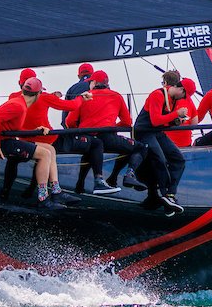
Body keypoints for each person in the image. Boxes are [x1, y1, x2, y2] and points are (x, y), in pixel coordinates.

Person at [0, 77, 70, 209]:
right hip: (2, 143)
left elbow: (13, 129)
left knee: (49, 150)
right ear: (38, 94)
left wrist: (36, 131)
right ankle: (43, 199)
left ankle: (55, 192)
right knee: (44, 154)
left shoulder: (20, 103)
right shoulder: (18, 106)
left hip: (6, 140)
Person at [72, 71, 160, 202]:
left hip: (86, 139)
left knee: (91, 150)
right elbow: (127, 122)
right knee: (140, 147)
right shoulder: (116, 96)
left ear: (94, 83)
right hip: (108, 138)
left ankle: (80, 185)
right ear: (107, 83)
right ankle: (127, 175)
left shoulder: (83, 97)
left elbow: (70, 121)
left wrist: (81, 129)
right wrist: (111, 126)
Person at [131, 70, 189, 215]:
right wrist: (176, 114)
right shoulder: (157, 95)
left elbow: (163, 121)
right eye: (184, 95)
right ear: (181, 89)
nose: (183, 99)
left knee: (178, 158)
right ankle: (164, 195)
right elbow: (156, 120)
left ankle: (170, 194)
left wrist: (176, 121)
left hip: (156, 132)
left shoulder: (172, 99)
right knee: (159, 159)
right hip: (144, 131)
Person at [62, 63, 95, 127]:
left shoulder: (72, 89)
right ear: (93, 75)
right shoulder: (101, 87)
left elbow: (65, 117)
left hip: (78, 129)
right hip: (99, 129)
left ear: (78, 76)